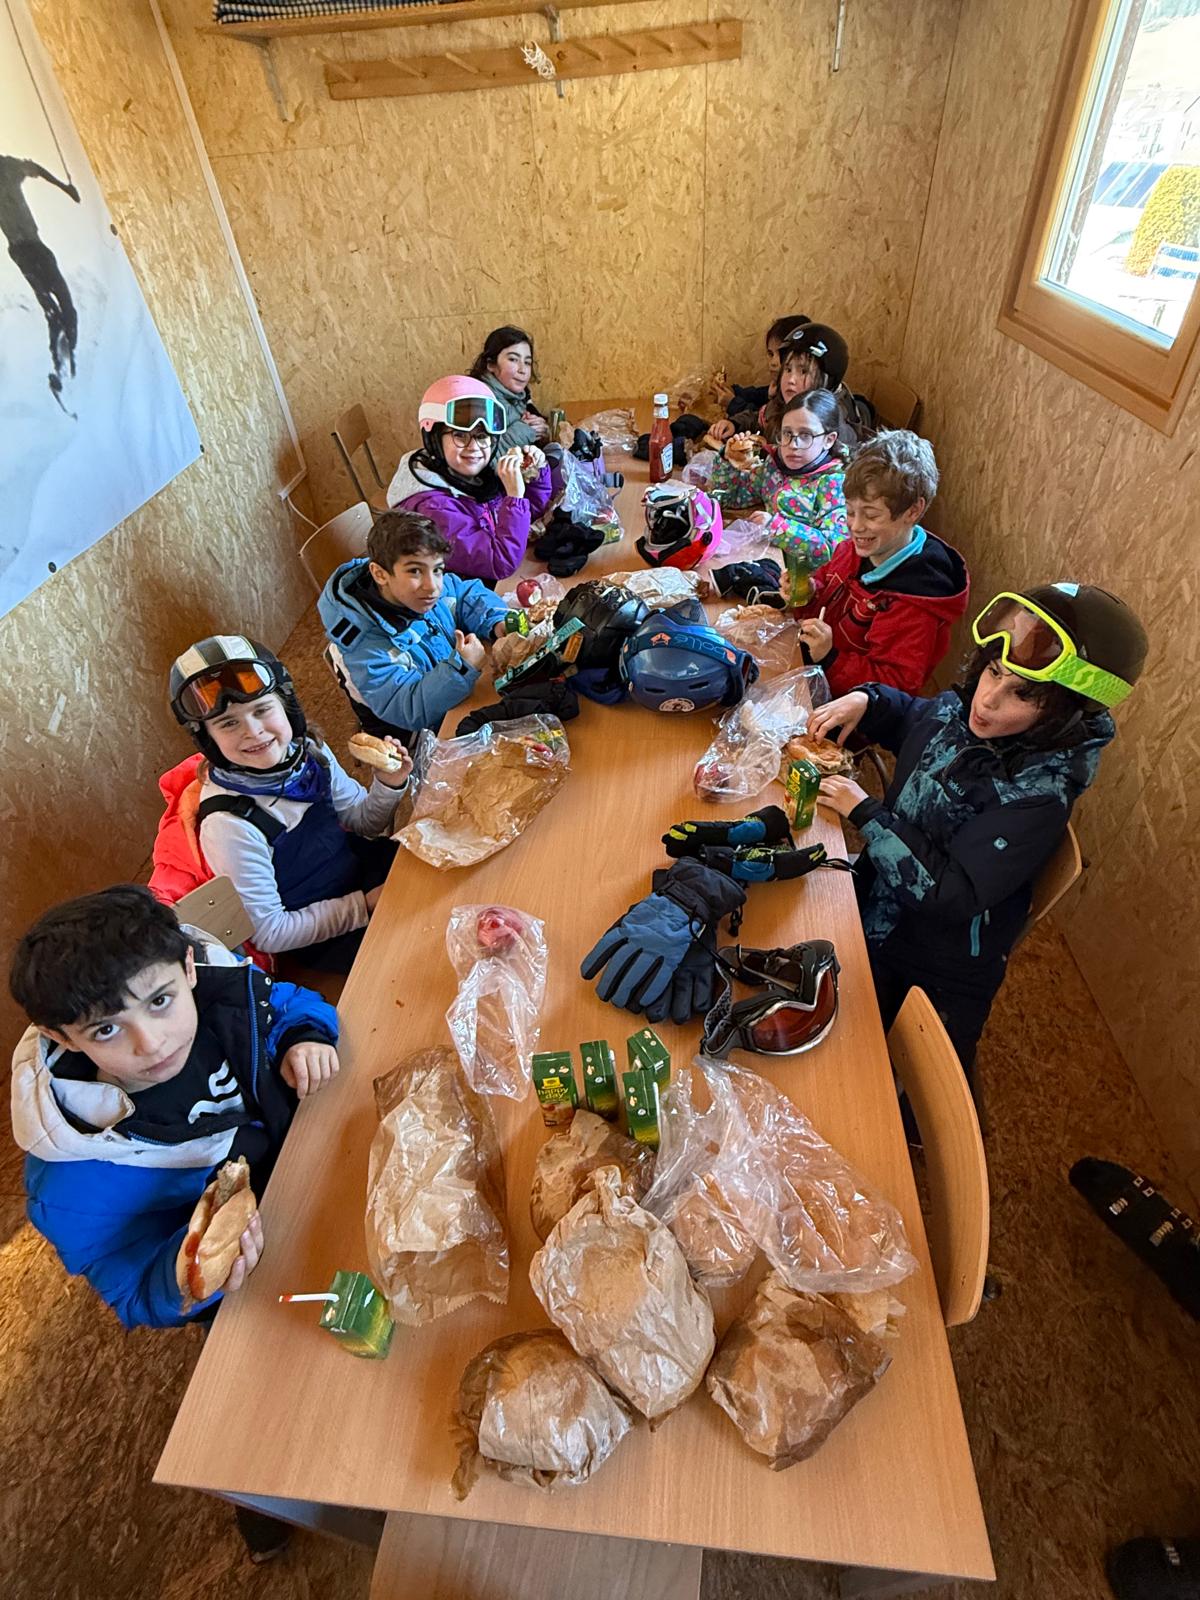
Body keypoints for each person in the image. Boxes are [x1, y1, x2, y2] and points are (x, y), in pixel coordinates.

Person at [8, 884, 338, 1559]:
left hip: (308, 1175)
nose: (151, 1042)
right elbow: (130, 1284)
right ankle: (257, 1498)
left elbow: (282, 1004)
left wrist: (303, 1037)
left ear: (187, 968)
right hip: (239, 1286)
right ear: (59, 1038)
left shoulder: (219, 994)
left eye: (159, 1002)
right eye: (106, 1030)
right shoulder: (68, 1176)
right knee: (270, 1406)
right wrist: (186, 1277)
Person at [809, 584, 1148, 1076]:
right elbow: (915, 720)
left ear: (1066, 715)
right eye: (993, 671)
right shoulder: (967, 712)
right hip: (877, 902)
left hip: (925, 966)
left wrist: (866, 815)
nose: (988, 700)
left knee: (842, 1069)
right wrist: (869, 700)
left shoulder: (1037, 798)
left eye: (1022, 694)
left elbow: (950, 893)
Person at [170, 636, 411, 971]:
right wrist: (365, 905)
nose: (253, 731)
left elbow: (364, 821)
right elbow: (271, 933)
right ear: (206, 739)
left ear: (287, 706)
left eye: (262, 710)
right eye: (228, 723)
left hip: (361, 870)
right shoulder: (229, 824)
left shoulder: (309, 752)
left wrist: (388, 783)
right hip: (321, 933)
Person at [796, 428, 969, 696]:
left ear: (913, 511)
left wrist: (830, 658)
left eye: (871, 515)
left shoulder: (916, 602)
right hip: (810, 674)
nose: (856, 526)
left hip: (847, 709)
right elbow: (825, 586)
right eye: (850, 511)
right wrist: (809, 591)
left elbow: (894, 688)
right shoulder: (854, 549)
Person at [319, 508, 512, 745]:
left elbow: (464, 594)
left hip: (457, 697)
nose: (433, 586)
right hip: (419, 738)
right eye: (415, 571)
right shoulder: (364, 645)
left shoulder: (418, 592)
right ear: (380, 574)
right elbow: (409, 707)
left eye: (438, 569)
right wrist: (462, 668)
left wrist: (496, 621)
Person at [386, 375, 552, 584]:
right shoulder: (433, 509)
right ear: (434, 438)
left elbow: (524, 520)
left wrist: (535, 474)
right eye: (460, 435)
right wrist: (514, 497)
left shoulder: (473, 479)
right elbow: (499, 562)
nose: (473, 447)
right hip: (459, 597)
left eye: (482, 436)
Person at [707, 388, 848, 605]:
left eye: (806, 435)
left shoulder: (833, 484)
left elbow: (833, 548)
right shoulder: (775, 467)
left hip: (810, 589)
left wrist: (776, 527)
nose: (793, 445)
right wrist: (727, 459)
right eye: (787, 433)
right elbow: (730, 498)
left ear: (829, 440)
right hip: (772, 564)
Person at [0, 152, 81, 405]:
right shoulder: (10, 166)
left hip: (27, 249)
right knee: (60, 307)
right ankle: (63, 367)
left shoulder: (10, 166)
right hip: (26, 249)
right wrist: (65, 188)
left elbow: (36, 169)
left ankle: (66, 365)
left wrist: (65, 188)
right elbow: (38, 169)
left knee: (59, 307)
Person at [709, 314, 811, 441]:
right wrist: (733, 423)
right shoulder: (777, 398)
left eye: (782, 356)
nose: (773, 362)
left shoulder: (817, 415)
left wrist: (732, 404)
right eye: (770, 354)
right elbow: (759, 415)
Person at [765, 322, 868, 448]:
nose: (791, 379)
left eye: (804, 372)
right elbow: (758, 418)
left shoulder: (835, 432)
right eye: (788, 369)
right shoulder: (780, 404)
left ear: (827, 381)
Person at [467, 325, 550, 452]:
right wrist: (525, 430)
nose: (523, 370)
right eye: (513, 359)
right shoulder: (477, 402)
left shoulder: (521, 399)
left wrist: (542, 432)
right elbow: (479, 456)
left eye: (527, 362)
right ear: (491, 364)